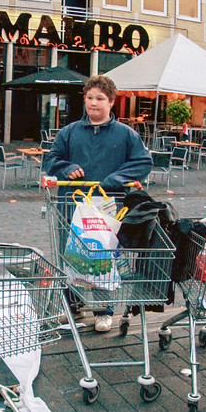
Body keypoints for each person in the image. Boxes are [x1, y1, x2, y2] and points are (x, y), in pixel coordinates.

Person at [43, 74, 151, 332]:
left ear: (111, 102)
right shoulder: (69, 132)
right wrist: (66, 167)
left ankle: (104, 310)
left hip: (108, 207)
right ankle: (72, 306)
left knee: (103, 258)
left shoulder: (125, 134)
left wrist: (115, 179)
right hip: (71, 205)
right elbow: (51, 159)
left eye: (100, 98)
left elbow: (143, 162)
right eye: (89, 97)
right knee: (70, 254)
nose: (93, 103)